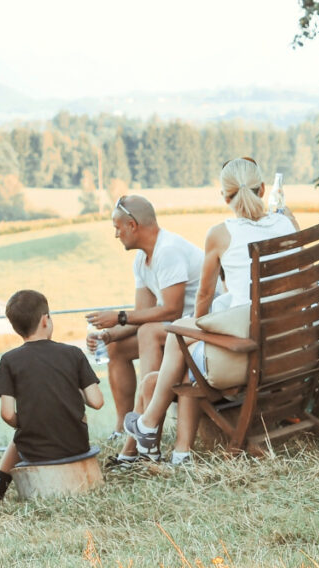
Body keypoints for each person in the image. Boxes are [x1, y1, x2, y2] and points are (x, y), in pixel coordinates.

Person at [124, 158, 298, 464]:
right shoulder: (287, 223)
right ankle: (153, 429)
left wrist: (195, 327)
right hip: (291, 346)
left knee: (180, 338)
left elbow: (204, 295)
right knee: (184, 335)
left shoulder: (221, 234)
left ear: (225, 196)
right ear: (263, 188)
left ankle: (149, 425)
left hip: (250, 353)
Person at [85, 194, 214, 464]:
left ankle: (142, 439)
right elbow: (141, 315)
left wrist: (119, 317)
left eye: (117, 227)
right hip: (177, 332)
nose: (116, 234)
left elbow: (171, 311)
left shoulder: (168, 251)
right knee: (116, 348)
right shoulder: (142, 261)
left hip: (205, 329)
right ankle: (124, 426)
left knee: (148, 333)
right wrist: (108, 334)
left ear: (132, 225)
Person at [0, 289, 104, 502]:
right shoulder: (73, 354)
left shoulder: (9, 360)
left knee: (19, 437)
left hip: (34, 450)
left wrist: (29, 423)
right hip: (76, 444)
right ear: (45, 319)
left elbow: (7, 413)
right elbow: (97, 401)